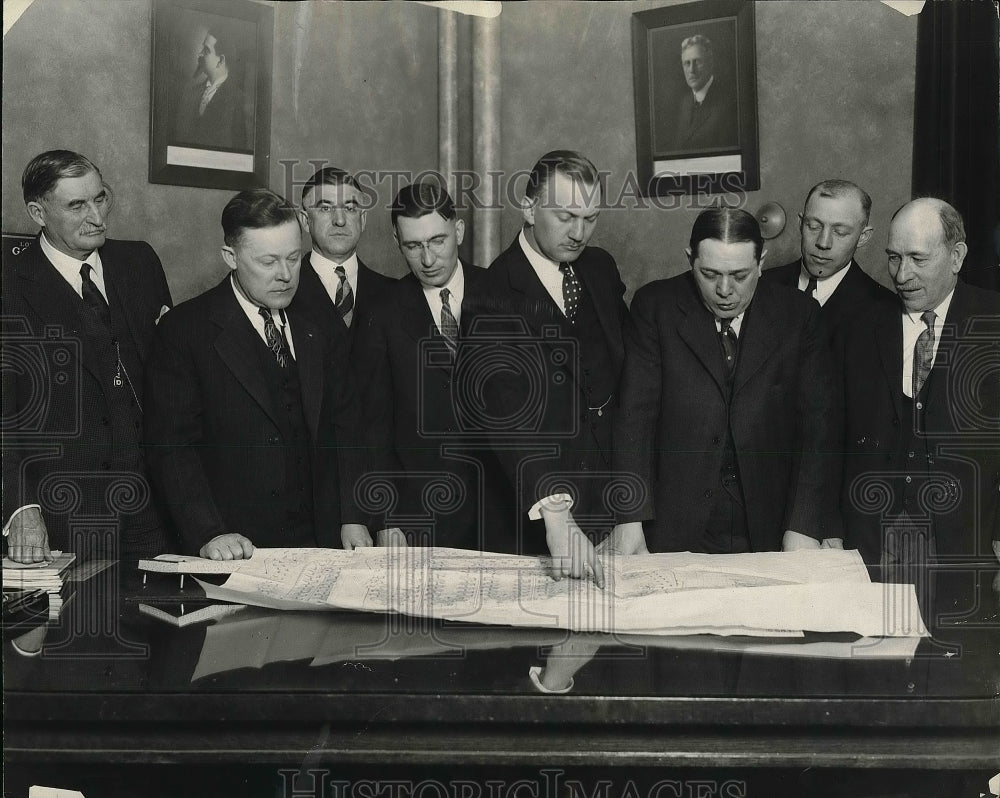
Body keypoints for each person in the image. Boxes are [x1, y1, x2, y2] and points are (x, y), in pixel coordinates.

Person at [144, 189, 377, 560]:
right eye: (268, 262)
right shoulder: (185, 330)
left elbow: (347, 422)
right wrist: (209, 532)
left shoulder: (320, 318)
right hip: (237, 544)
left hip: (323, 539)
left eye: (292, 258)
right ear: (230, 257)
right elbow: (172, 448)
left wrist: (354, 516)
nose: (285, 275)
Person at [609, 208, 843, 555]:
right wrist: (629, 518)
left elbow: (818, 427)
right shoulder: (656, 307)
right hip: (674, 523)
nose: (724, 290)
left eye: (739, 275)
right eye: (709, 274)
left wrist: (804, 525)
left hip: (771, 522)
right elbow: (634, 417)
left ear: (761, 262)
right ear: (690, 259)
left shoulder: (799, 314)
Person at [2, 150, 174, 562]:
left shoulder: (140, 262)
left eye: (100, 198)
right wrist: (20, 507)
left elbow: (174, 383)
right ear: (37, 212)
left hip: (154, 510)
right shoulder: (9, 285)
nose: (96, 216)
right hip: (61, 517)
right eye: (77, 205)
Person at [468, 150, 629, 585]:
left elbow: (625, 382)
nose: (579, 233)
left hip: (614, 512)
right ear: (529, 206)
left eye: (591, 218)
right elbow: (506, 414)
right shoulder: (490, 293)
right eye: (566, 216)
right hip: (540, 523)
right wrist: (557, 516)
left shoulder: (600, 268)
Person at [350, 182, 512, 551]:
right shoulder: (382, 314)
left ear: (459, 231)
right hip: (421, 517)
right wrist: (386, 517)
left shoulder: (503, 293)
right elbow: (374, 427)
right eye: (413, 246)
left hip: (505, 511)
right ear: (397, 241)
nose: (427, 259)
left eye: (437, 241)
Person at [840, 198, 1000, 569]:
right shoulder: (860, 326)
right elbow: (833, 436)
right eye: (894, 257)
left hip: (969, 549)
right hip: (872, 545)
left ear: (956, 257)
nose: (900, 275)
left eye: (918, 258)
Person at [762, 179, 896, 341]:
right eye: (813, 226)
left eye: (840, 232)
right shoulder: (761, 285)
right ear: (800, 224)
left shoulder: (884, 309)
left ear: (863, 237)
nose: (823, 243)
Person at [291, 167, 396, 353]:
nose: (339, 220)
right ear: (306, 221)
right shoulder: (284, 290)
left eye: (349, 208)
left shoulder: (394, 293)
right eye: (325, 208)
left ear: (362, 220)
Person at [173, 31, 247, 151]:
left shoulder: (238, 98)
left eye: (206, 50)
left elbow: (241, 147)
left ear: (221, 60)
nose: (199, 54)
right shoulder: (190, 93)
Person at [669, 34, 738, 152]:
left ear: (710, 63)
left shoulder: (729, 104)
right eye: (687, 63)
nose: (691, 70)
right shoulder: (683, 103)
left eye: (697, 62)